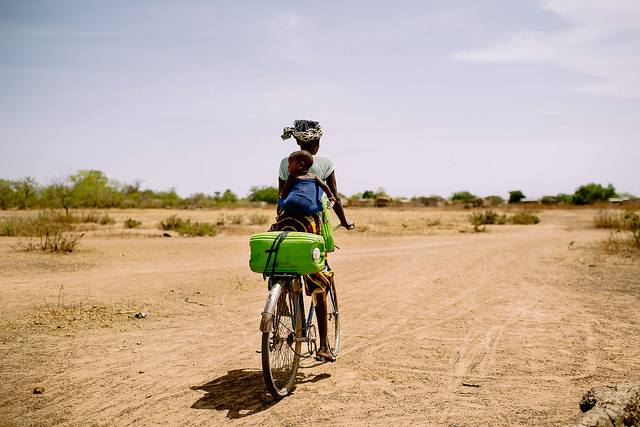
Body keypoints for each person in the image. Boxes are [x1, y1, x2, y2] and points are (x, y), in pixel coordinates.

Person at [269, 119, 354, 362]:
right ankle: (324, 346)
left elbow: (280, 196)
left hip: (286, 223)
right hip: (312, 227)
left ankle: (280, 295)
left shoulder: (288, 163)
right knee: (319, 277)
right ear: (316, 144)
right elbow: (334, 197)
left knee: (278, 258)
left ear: (297, 142)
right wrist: (345, 222)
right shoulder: (324, 163)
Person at [278, 150, 336, 216]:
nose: (288, 167)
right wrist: (331, 197)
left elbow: (285, 190)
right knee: (319, 205)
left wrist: (281, 195)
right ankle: (322, 216)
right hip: (309, 208)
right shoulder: (314, 176)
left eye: (290, 164)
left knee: (280, 201)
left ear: (300, 165)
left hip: (291, 205)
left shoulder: (292, 176)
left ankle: (280, 213)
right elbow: (324, 186)